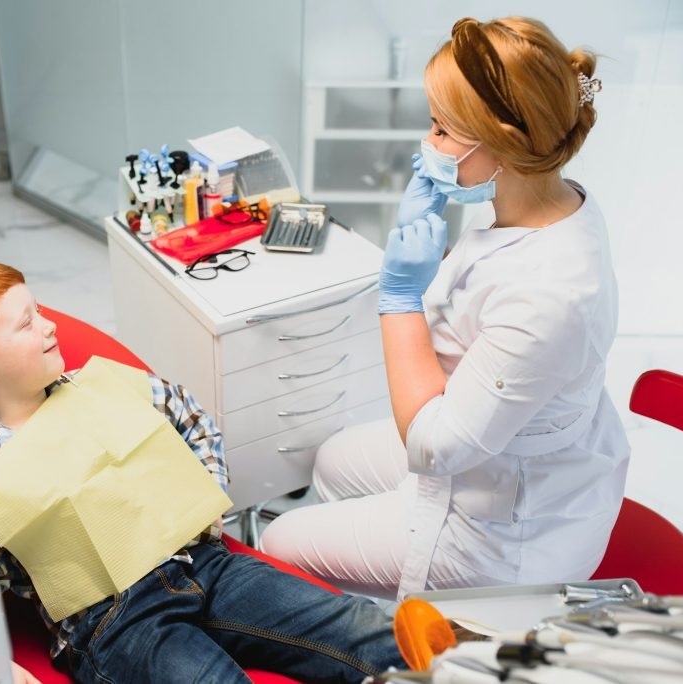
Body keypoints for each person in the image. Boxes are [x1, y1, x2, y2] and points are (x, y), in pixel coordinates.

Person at [261, 16, 630, 600]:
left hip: (504, 532)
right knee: (330, 462)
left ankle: (387, 629)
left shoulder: (554, 296)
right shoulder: (545, 197)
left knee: (277, 544)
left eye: (440, 129)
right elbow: (488, 297)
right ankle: (365, 564)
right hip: (489, 446)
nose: (426, 143)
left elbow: (433, 447)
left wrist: (400, 296)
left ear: (505, 145)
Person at [0, 261, 406, 684]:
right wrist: (1, 669)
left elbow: (194, 423)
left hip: (205, 561)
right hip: (113, 620)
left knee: (360, 628)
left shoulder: (107, 385)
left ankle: (473, 670)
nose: (50, 325)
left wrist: (201, 501)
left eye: (40, 311)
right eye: (27, 323)